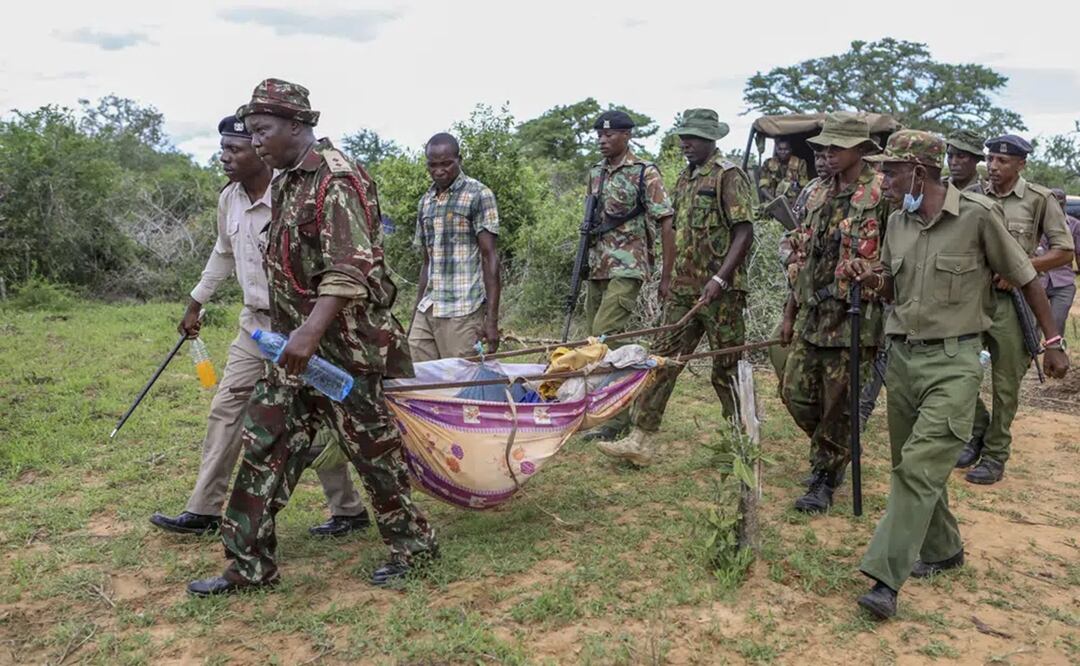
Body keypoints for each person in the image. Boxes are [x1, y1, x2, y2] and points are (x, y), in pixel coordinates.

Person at [187, 79, 437, 596]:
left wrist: (307, 333)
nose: (256, 143)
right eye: (251, 132)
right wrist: (289, 338)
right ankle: (248, 565)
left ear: (296, 127)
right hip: (294, 351)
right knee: (264, 443)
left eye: (262, 131)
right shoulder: (285, 183)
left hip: (346, 352)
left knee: (374, 454)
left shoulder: (336, 180)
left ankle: (414, 546)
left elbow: (350, 269)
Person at [843, 129, 1068, 620]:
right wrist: (870, 276)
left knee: (918, 469)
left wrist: (1052, 343)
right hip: (901, 361)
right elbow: (889, 284)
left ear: (919, 172)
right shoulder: (897, 221)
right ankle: (944, 549)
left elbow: (1028, 278)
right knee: (915, 467)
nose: (883, 179)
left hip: (954, 363)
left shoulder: (977, 217)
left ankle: (885, 578)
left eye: (891, 170)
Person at [149, 115, 368, 539]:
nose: (225, 157)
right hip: (253, 327)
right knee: (227, 408)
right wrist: (196, 302)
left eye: (235, 149)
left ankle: (349, 510)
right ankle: (204, 509)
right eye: (223, 149)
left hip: (303, 327)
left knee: (317, 416)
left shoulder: (294, 192)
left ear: (258, 148)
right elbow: (222, 252)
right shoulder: (229, 199)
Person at [597, 109, 753, 465]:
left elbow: (744, 231)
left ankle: (740, 443)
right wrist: (666, 278)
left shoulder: (728, 176)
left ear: (712, 139)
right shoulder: (684, 178)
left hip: (721, 292)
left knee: (727, 367)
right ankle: (640, 440)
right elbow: (676, 232)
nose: (687, 143)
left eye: (694, 137)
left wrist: (720, 278)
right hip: (684, 289)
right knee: (662, 361)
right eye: (684, 137)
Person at [779, 112, 890, 514]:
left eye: (835, 146)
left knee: (839, 404)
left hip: (854, 319)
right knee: (795, 393)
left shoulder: (881, 195)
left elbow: (894, 259)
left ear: (860, 150)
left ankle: (825, 476)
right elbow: (802, 257)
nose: (826, 152)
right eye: (823, 146)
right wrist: (789, 313)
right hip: (811, 313)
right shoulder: (815, 193)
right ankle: (836, 449)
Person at [957, 135, 1075, 484]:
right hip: (972, 298)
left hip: (1015, 302)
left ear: (1021, 164)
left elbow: (1064, 252)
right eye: (990, 159)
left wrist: (1022, 267)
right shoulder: (973, 195)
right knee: (957, 369)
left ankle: (995, 454)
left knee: (1006, 385)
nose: (993, 166)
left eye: (1002, 161)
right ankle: (976, 430)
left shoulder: (1038, 200)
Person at [578, 110, 675, 443]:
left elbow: (665, 221)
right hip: (598, 266)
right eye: (599, 136)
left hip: (628, 265)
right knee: (598, 340)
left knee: (602, 335)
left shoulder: (644, 172)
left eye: (610, 135)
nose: (603, 140)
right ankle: (611, 409)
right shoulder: (595, 173)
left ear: (626, 136)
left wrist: (666, 275)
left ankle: (618, 412)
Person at [409, 132, 501, 360]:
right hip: (429, 307)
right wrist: (414, 313)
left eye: (446, 164)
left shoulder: (478, 194)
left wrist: (491, 321)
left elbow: (490, 258)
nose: (439, 171)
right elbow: (427, 262)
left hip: (463, 309)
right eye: (432, 165)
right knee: (416, 376)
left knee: (460, 382)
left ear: (459, 160)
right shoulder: (426, 201)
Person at [1037, 189, 1080, 336]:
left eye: (1060, 203)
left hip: (1063, 282)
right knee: (1031, 326)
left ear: (1065, 204)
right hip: (1036, 281)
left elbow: (1078, 254)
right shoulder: (1035, 223)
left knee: (1056, 325)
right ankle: (1030, 357)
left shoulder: (1074, 225)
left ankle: (1055, 356)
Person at [759, 138, 809, 203]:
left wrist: (796, 202)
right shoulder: (768, 163)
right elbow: (763, 187)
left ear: (790, 150)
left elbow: (804, 187)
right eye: (780, 149)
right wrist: (774, 201)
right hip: (772, 201)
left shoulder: (800, 163)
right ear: (776, 150)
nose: (783, 152)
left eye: (786, 149)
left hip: (793, 201)